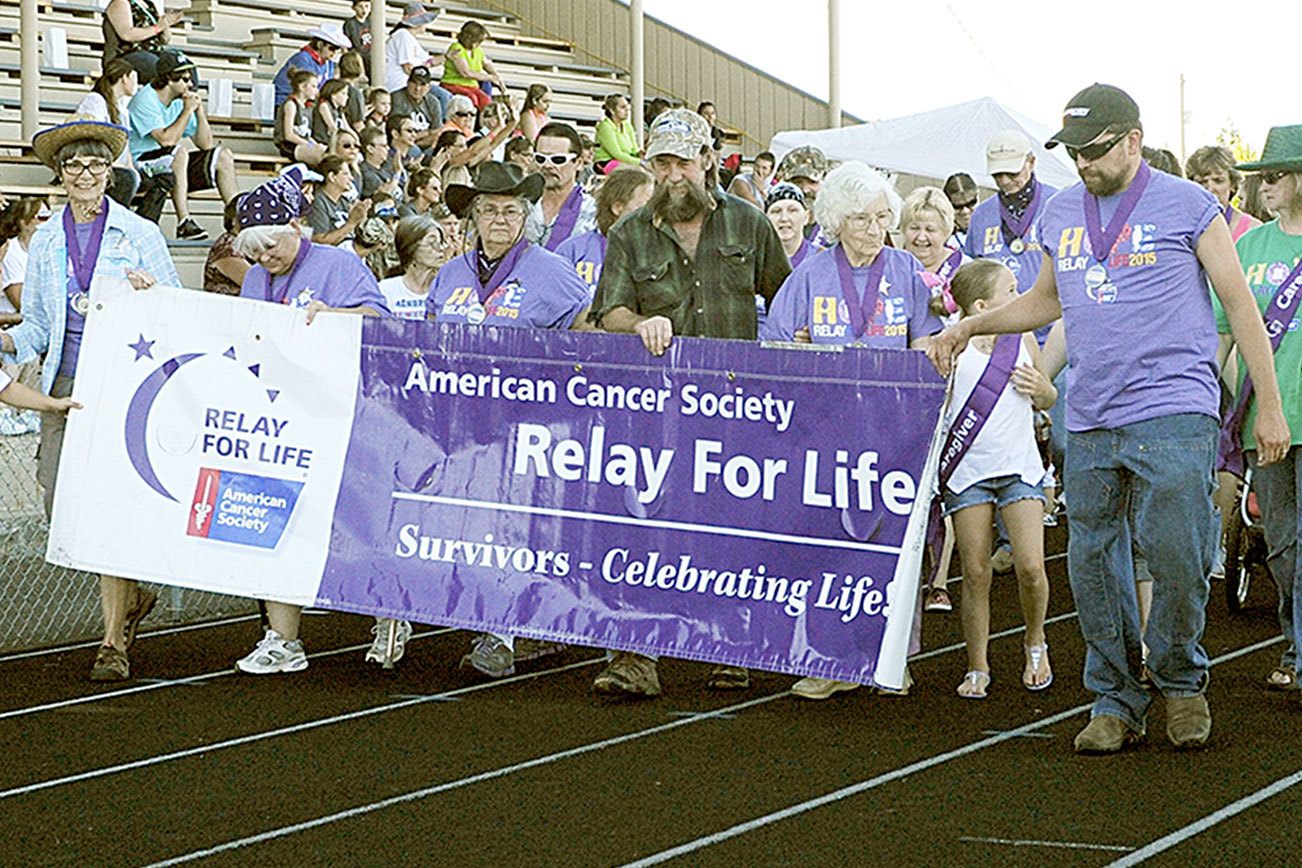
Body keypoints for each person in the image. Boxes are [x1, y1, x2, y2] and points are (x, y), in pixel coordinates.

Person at [927, 83, 1290, 754]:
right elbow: (1042, 302)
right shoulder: (1062, 212)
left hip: (1175, 410)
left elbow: (1241, 306)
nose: (1085, 165)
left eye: (1096, 151)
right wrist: (971, 324)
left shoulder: (1189, 204)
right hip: (1092, 414)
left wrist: (1268, 407)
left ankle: (1181, 683)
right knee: (1092, 562)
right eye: (1074, 153)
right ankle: (1115, 696)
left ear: (1132, 139)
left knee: (1178, 556)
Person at [590, 108, 791, 697]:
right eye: (662, 163)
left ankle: (728, 642)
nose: (674, 174)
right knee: (642, 519)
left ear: (708, 161)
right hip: (657, 404)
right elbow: (611, 309)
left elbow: (786, 302)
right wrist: (639, 321)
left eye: (683, 161)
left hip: (737, 408)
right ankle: (634, 657)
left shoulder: (750, 225)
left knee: (729, 522)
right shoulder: (629, 233)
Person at [3, 117, 181, 681]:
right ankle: (131, 600)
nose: (85, 174)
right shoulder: (49, 238)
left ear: (111, 172)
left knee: (110, 512)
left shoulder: (140, 233)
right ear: (60, 175)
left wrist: (150, 297)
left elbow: (176, 307)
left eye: (96, 165)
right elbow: (35, 327)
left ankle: (112, 644)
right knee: (61, 506)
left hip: (122, 386)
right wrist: (6, 340)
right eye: (74, 166)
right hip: (65, 387)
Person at [426, 162, 594, 678]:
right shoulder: (451, 274)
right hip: (459, 427)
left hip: (527, 425)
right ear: (473, 217)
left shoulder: (551, 271)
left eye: (510, 210)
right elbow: (431, 335)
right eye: (490, 210)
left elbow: (586, 331)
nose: (500, 220)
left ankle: (500, 635)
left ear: (526, 217)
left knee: (510, 528)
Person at [231, 169, 389, 675]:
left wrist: (332, 316)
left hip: (339, 411)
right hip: (281, 412)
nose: (265, 260)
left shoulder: (338, 264)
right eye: (256, 253)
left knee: (350, 519)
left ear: (296, 227)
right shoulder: (257, 277)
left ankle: (388, 613)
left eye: (272, 247)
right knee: (274, 515)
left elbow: (380, 318)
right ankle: (282, 637)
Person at [930, 260, 1055, 698]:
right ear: (981, 306)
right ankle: (977, 663)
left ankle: (1035, 638)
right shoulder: (951, 344)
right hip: (970, 471)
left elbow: (1049, 396)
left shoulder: (1021, 339)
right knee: (976, 571)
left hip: (1019, 465)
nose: (1020, 297)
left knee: (1031, 567)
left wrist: (1040, 390)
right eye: (1011, 290)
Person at [1214, 127, 1302, 695]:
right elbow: (1222, 337)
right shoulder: (1248, 248)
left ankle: (1297, 655)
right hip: (1262, 422)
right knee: (1284, 545)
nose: (1262, 186)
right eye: (1260, 177)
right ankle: (1295, 642)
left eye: (1272, 176)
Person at [900, 185, 966, 613]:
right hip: (906, 391)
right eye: (912, 227)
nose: (921, 237)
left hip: (957, 388)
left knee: (949, 482)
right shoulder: (895, 268)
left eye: (930, 227)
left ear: (947, 229)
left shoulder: (967, 271)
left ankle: (940, 576)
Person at [127, 50, 238, 239]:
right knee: (179, 152)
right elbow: (166, 140)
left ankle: (237, 219)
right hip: (140, 163)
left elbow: (205, 144)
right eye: (185, 79)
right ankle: (184, 222)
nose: (191, 84)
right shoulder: (145, 98)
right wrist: (187, 111)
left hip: (170, 164)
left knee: (222, 155)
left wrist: (199, 111)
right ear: (169, 79)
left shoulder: (182, 101)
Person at [965, 130, 1058, 345]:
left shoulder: (1057, 205)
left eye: (1012, 172)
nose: (1005, 181)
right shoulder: (981, 215)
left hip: (1051, 338)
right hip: (997, 339)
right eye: (998, 175)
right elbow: (971, 276)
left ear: (1031, 162)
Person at [555, 164, 653, 291]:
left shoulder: (658, 251)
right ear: (618, 207)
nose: (653, 213)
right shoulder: (573, 250)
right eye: (646, 206)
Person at [77, 58, 140, 206]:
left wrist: (133, 170)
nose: (136, 85)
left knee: (162, 179)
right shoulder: (96, 101)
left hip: (119, 168)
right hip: (97, 167)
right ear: (124, 78)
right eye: (133, 78)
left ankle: (140, 225)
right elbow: (94, 136)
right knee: (125, 179)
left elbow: (126, 147)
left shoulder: (123, 110)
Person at [526, 122, 597, 250]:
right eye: (540, 158)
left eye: (558, 159)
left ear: (579, 163)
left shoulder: (594, 214)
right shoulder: (519, 206)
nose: (547, 166)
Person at [1187, 145, 1261, 242]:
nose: (1210, 189)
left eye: (1218, 181)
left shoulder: (1253, 230)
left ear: (1233, 185)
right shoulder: (1184, 228)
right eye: (1202, 182)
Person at [380, 214, 445, 319]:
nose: (441, 248)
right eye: (432, 243)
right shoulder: (385, 290)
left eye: (441, 242)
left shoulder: (446, 289)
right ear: (410, 248)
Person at [272, 23, 352, 108]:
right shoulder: (303, 58)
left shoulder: (329, 64)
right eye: (331, 48)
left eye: (337, 50)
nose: (333, 53)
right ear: (320, 44)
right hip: (285, 102)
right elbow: (308, 88)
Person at [103, 0, 183, 82]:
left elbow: (165, 40)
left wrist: (166, 23)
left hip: (153, 52)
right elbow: (127, 34)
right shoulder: (120, 2)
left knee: (182, 63)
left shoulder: (149, 5)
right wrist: (157, 28)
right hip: (126, 54)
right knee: (158, 66)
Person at [0, 197, 50, 318]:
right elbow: (22, 303)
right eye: (42, 217)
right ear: (24, 223)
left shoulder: (51, 249)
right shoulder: (11, 251)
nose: (49, 222)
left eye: (49, 216)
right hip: (15, 324)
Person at [441, 21, 505, 110]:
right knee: (471, 99)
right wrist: (490, 77)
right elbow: (466, 73)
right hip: (453, 84)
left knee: (485, 100)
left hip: (472, 86)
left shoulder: (478, 50)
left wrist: (497, 77)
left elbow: (486, 64)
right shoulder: (457, 48)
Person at [307, 155, 370, 246]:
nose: (351, 178)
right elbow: (319, 241)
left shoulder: (344, 201)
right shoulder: (318, 202)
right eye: (346, 174)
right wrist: (351, 224)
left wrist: (361, 216)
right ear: (332, 177)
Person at [384, 3, 443, 93]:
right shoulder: (403, 35)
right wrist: (422, 83)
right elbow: (408, 68)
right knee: (443, 96)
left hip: (410, 83)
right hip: (400, 84)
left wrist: (447, 57)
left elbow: (429, 62)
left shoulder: (409, 38)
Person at [274, 68, 328, 166]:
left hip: (302, 143)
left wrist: (316, 144)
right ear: (302, 87)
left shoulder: (308, 107)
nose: (317, 91)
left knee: (328, 152)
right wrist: (309, 145)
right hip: (289, 146)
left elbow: (307, 135)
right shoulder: (291, 105)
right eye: (314, 86)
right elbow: (289, 135)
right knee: (321, 156)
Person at [390, 66, 448, 150]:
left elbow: (437, 130)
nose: (417, 88)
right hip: (403, 144)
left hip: (426, 143)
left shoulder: (433, 101)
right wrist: (428, 133)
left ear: (429, 87)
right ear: (407, 82)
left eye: (422, 84)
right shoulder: (397, 97)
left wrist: (425, 138)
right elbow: (399, 132)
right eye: (414, 83)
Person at [203, 198, 249, 296]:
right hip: (226, 307)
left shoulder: (248, 243)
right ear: (233, 220)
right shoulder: (227, 246)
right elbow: (255, 283)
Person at [593, 93, 641, 174]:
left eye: (627, 107)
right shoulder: (605, 126)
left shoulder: (627, 125)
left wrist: (640, 154)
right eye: (622, 107)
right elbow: (617, 154)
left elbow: (635, 149)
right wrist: (640, 162)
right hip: (605, 163)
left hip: (625, 162)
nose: (627, 110)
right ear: (612, 110)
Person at [359, 126, 402, 205]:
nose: (388, 148)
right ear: (370, 149)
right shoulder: (365, 172)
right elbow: (386, 192)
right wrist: (398, 172)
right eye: (384, 146)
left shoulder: (387, 165)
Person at [311, 79, 353, 153]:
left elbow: (347, 128)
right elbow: (333, 129)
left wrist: (357, 141)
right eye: (343, 93)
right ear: (333, 95)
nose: (347, 97)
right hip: (323, 143)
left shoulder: (339, 110)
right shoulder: (324, 106)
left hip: (336, 143)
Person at [944, 172, 979, 251]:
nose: (965, 211)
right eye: (957, 207)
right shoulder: (942, 237)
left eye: (971, 203)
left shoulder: (993, 224)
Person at [343, 0, 373, 83]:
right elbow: (345, 43)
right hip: (357, 57)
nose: (364, 10)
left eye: (366, 6)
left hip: (370, 57)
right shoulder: (350, 23)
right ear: (354, 8)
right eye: (360, 7)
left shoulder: (372, 21)